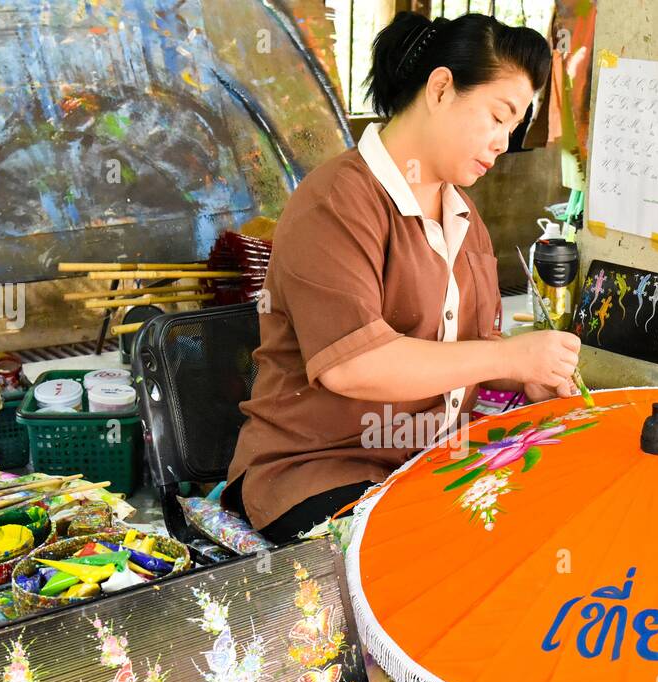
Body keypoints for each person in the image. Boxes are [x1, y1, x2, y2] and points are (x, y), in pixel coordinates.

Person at [223, 11, 580, 545]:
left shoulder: (463, 217)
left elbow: (463, 348)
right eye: (498, 116)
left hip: (422, 463)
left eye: (514, 126)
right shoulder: (337, 200)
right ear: (441, 88)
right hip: (318, 472)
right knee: (459, 549)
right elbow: (355, 365)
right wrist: (509, 356)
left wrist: (520, 373)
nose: (504, 142)